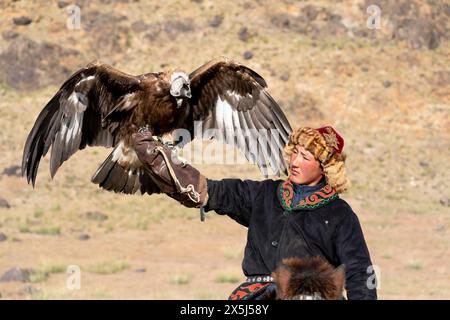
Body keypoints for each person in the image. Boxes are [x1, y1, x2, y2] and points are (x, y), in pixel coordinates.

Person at [131, 125, 377, 300]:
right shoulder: (263, 194)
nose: (295, 161)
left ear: (324, 167)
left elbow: (359, 272)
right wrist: (162, 164)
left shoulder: (340, 215)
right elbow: (207, 191)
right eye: (295, 153)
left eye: (306, 156)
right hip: (255, 298)